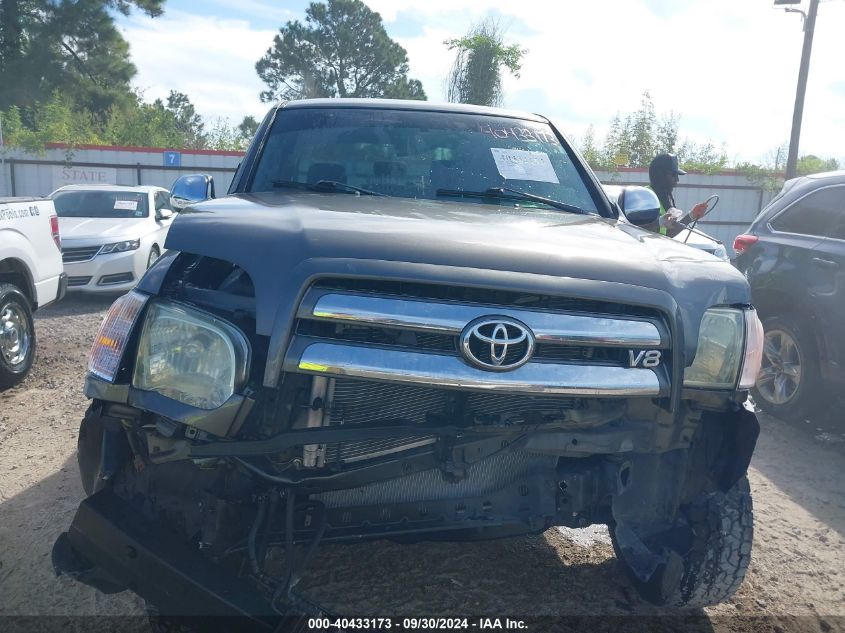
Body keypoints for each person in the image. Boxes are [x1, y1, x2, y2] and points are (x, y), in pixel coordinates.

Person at [646, 153, 709, 237]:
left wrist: (691, 216)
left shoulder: (663, 199)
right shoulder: (646, 196)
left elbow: (668, 235)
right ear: (660, 175)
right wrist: (659, 223)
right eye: (673, 174)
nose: (677, 179)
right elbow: (636, 230)